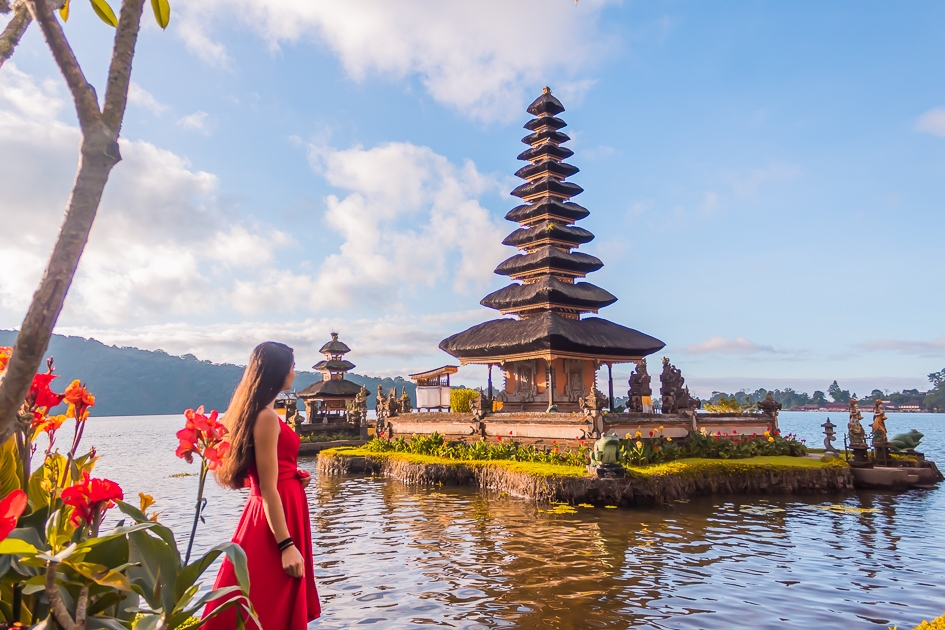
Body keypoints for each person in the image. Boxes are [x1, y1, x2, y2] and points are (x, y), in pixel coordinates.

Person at [203, 342, 321, 629]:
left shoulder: (260, 413)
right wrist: (286, 545)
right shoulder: (266, 418)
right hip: (275, 518)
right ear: (278, 372)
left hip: (281, 505)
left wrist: (292, 475)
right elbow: (268, 488)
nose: (294, 372)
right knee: (267, 598)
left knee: (266, 597)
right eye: (292, 367)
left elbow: (268, 472)